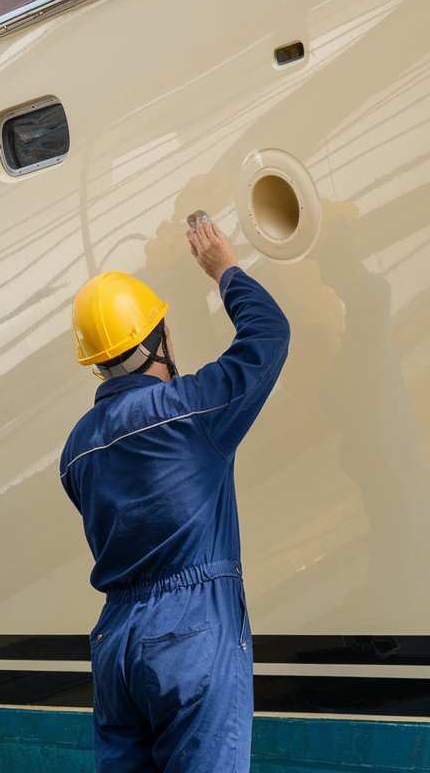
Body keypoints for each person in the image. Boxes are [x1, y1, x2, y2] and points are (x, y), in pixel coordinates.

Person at [60, 212, 290, 772]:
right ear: (159, 339)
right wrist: (225, 270)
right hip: (190, 633)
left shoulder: (77, 450)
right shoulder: (191, 411)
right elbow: (268, 335)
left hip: (116, 645)